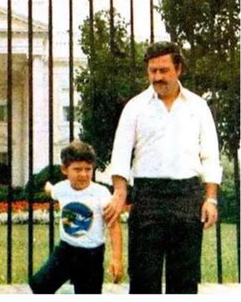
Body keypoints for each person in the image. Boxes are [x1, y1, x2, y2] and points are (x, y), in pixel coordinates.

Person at [104, 41, 222, 294]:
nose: (157, 77)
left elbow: (210, 155)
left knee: (185, 279)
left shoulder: (198, 107)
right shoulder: (135, 107)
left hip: (187, 197)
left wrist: (211, 199)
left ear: (178, 69)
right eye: (152, 70)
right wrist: (120, 193)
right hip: (148, 198)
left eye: (163, 70)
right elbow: (121, 154)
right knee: (144, 278)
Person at [29, 140, 123, 294]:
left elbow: (113, 226)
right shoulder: (62, 188)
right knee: (40, 286)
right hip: (66, 250)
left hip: (91, 256)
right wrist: (45, 184)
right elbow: (51, 190)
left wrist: (116, 259)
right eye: (77, 169)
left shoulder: (101, 193)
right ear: (65, 170)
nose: (84, 174)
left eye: (88, 169)